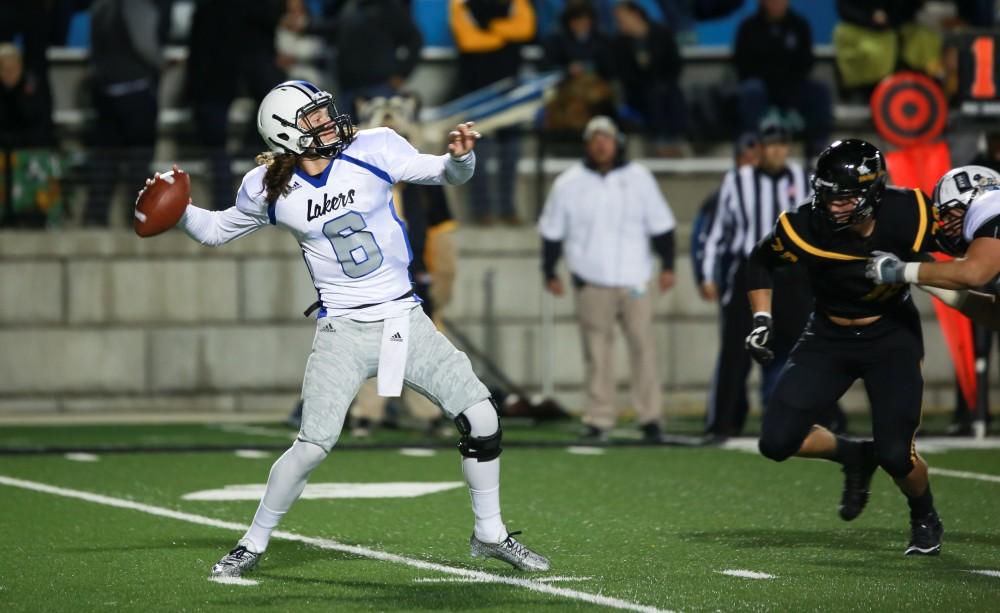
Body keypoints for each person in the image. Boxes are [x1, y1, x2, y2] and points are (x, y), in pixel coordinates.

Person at [139, 80, 549, 576]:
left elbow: (444, 173)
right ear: (286, 134)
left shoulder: (373, 147)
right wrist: (178, 210)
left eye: (324, 112)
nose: (328, 121)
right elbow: (216, 230)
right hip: (343, 331)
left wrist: (460, 158)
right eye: (313, 118)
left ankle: (490, 533)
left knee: (482, 416)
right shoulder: (268, 187)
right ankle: (252, 542)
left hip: (404, 317)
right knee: (312, 445)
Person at [747, 139, 944, 556]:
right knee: (777, 441)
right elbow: (759, 260)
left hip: (890, 335)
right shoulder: (803, 226)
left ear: (872, 193)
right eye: (826, 194)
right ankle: (854, 456)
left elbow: (969, 248)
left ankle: (923, 513)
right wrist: (762, 318)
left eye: (843, 197)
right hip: (828, 336)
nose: (831, 205)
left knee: (895, 454)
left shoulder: (911, 212)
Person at [538, 115, 676, 442]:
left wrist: (669, 265)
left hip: (635, 278)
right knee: (597, 353)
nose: (601, 145)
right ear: (587, 144)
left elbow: (661, 225)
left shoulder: (639, 178)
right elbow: (552, 231)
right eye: (595, 139)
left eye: (607, 138)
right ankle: (600, 417)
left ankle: (650, 416)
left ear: (617, 143)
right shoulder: (568, 183)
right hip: (591, 278)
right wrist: (549, 270)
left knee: (644, 347)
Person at [700, 119, 838, 440]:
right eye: (769, 145)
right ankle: (722, 423)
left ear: (787, 149)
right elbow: (718, 233)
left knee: (808, 349)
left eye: (781, 145)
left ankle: (821, 419)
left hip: (792, 275)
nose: (776, 151)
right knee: (736, 352)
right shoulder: (737, 180)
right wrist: (708, 273)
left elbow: (820, 230)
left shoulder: (804, 180)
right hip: (749, 273)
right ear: (759, 148)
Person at [866, 165, 1000, 433]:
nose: (943, 226)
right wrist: (930, 282)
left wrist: (901, 271)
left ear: (973, 199)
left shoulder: (991, 206)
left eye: (949, 214)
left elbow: (974, 273)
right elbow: (996, 317)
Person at [449, 0, 536, 225]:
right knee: (478, 152)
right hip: (476, 91)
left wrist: (490, 29)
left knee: (511, 152)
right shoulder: (460, 4)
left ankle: (508, 208)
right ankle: (481, 210)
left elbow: (525, 30)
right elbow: (469, 41)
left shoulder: (518, 3)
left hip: (509, 91)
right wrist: (504, 33)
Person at [732, 0, 831, 157]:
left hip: (792, 85)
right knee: (751, 90)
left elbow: (806, 61)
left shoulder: (799, 25)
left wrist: (787, 78)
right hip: (761, 86)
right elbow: (742, 63)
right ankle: (752, 143)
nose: (776, 3)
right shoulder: (749, 26)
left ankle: (817, 144)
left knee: (819, 90)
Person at [611, 0, 687, 154]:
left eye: (622, 19)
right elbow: (623, 74)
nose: (619, 24)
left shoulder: (662, 34)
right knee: (652, 95)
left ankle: (677, 139)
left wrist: (664, 81)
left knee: (671, 94)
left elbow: (675, 64)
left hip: (666, 85)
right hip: (637, 91)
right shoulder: (619, 43)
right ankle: (659, 143)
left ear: (636, 15)